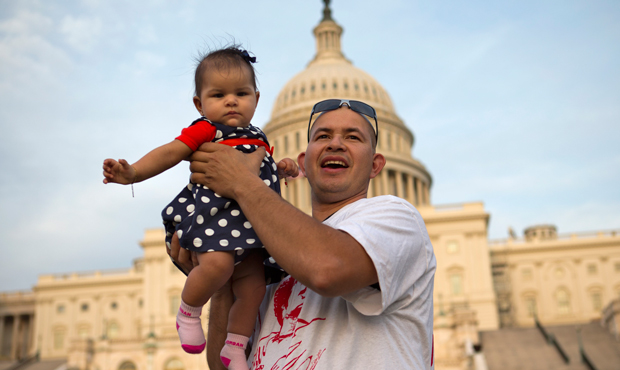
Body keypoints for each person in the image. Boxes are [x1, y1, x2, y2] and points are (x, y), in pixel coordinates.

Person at [172, 98, 437, 369]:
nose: (335, 144)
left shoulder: (398, 217)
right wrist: (222, 279)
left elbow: (327, 270)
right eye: (322, 136)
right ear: (303, 164)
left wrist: (242, 181)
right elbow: (223, 366)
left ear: (375, 165)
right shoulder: (264, 254)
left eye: (353, 137)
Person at [103, 46, 297, 370]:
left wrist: (284, 168)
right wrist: (133, 172)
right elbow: (170, 152)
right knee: (217, 267)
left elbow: (263, 170)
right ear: (200, 104)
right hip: (216, 220)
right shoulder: (207, 129)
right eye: (219, 94)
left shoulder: (259, 137)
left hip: (253, 229)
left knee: (252, 289)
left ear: (257, 98)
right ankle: (189, 310)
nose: (232, 100)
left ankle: (235, 347)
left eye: (241, 93)